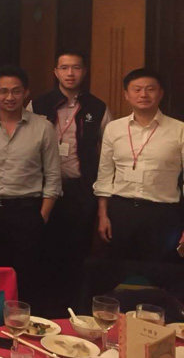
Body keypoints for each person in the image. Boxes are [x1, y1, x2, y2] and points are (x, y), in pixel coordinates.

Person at [0, 65, 61, 304]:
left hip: (28, 211)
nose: (10, 97)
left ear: (26, 92)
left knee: (27, 277)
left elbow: (53, 177)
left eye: (16, 91)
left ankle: (26, 330)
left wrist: (42, 217)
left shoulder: (43, 128)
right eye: (3, 91)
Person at [31, 50, 110, 311]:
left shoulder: (98, 107)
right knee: (43, 248)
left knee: (76, 251)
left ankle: (71, 309)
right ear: (56, 72)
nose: (70, 73)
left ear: (84, 71)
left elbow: (108, 151)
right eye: (64, 68)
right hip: (42, 190)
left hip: (79, 189)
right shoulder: (38, 104)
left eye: (75, 68)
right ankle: (43, 307)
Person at [94, 68, 184, 262]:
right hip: (121, 211)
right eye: (136, 89)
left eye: (150, 89)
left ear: (161, 93)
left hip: (163, 213)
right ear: (126, 95)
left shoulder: (179, 130)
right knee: (119, 271)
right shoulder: (113, 128)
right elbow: (105, 175)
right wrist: (103, 216)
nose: (143, 94)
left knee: (163, 273)